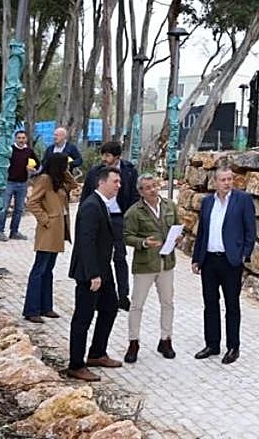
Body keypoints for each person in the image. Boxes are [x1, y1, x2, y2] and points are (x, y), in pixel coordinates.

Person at [190, 160, 255, 364]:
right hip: (209, 260)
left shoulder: (243, 200)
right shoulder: (208, 202)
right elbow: (202, 232)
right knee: (210, 303)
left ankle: (233, 347)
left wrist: (244, 254)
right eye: (223, 180)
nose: (227, 183)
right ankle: (212, 344)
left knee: (232, 305)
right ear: (215, 182)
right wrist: (196, 258)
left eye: (230, 179)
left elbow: (250, 230)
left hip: (230, 261)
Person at [66, 165, 123, 382]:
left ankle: (97, 353)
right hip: (90, 273)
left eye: (119, 182)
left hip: (103, 270)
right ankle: (76, 364)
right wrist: (93, 274)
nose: (119, 185)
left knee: (110, 308)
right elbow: (86, 242)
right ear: (101, 182)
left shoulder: (103, 204)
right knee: (83, 317)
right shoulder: (91, 206)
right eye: (115, 181)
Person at [122, 173, 180, 363]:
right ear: (141, 191)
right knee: (137, 305)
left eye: (155, 185)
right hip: (145, 264)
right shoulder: (134, 212)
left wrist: (178, 237)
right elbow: (127, 236)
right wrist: (144, 243)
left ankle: (166, 339)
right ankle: (133, 342)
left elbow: (177, 226)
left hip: (166, 262)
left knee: (167, 303)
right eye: (148, 187)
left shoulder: (170, 206)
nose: (153, 190)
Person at [81, 141, 138, 310]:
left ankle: (123, 295)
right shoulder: (95, 172)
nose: (104, 159)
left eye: (108, 155)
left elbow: (134, 196)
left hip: (119, 218)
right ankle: (99, 294)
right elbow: (85, 196)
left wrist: (130, 218)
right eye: (103, 155)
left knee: (120, 256)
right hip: (100, 217)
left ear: (117, 157)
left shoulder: (129, 171)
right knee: (100, 254)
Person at [21, 151, 77, 323]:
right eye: (64, 165)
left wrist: (65, 172)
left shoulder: (57, 180)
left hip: (58, 230)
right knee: (39, 269)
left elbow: (73, 184)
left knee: (48, 270)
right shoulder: (45, 179)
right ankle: (32, 309)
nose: (67, 168)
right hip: (48, 230)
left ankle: (46, 306)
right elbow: (32, 202)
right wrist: (45, 219)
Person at [0, 130, 38, 240]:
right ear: (15, 139)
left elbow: (38, 164)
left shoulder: (29, 151)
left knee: (19, 209)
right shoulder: (9, 150)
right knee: (4, 208)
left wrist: (33, 170)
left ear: (26, 139)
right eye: (19, 138)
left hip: (22, 184)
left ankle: (14, 232)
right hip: (9, 183)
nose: (21, 140)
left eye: (23, 138)